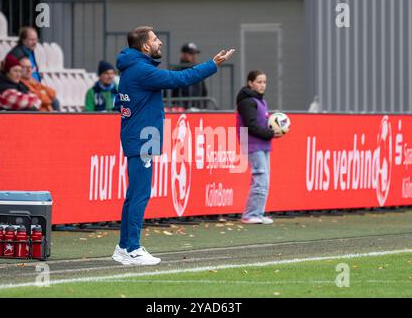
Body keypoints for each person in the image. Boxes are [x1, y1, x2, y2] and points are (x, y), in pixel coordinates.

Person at [111, 26, 234, 266]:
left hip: (139, 136)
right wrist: (212, 64)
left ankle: (124, 247)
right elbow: (180, 79)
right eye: (156, 39)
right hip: (144, 138)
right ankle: (133, 248)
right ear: (145, 46)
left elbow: (120, 103)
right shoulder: (141, 70)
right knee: (139, 195)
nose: (160, 43)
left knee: (133, 196)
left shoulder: (129, 69)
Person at [236, 70, 283, 225]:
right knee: (260, 178)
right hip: (252, 144)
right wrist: (271, 133)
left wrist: (273, 131)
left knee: (264, 180)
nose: (263, 85)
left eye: (264, 82)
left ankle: (258, 212)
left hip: (262, 143)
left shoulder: (260, 101)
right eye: (259, 82)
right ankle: (250, 214)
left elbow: (261, 123)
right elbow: (250, 126)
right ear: (250, 83)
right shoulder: (247, 101)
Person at [170, 42, 208, 109]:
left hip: (197, 110)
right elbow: (169, 93)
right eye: (191, 54)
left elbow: (204, 92)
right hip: (181, 111)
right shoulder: (176, 71)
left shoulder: (198, 70)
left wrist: (204, 107)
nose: (194, 56)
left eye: (194, 54)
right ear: (183, 54)